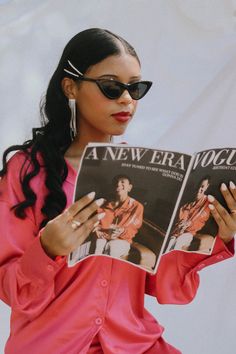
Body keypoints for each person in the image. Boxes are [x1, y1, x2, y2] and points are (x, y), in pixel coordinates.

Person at [0, 28, 235, 354]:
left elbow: (161, 280)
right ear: (71, 87)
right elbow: (12, 289)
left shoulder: (144, 173)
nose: (127, 99)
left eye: (136, 88)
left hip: (134, 344)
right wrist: (47, 248)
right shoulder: (26, 172)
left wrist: (215, 235)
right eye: (112, 87)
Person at [94, 174, 144, 258]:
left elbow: (133, 229)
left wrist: (122, 231)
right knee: (97, 248)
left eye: (122, 182)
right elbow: (94, 220)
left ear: (129, 187)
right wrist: (95, 229)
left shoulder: (136, 206)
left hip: (122, 240)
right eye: (116, 183)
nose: (118, 184)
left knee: (112, 248)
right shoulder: (104, 203)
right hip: (102, 237)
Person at [166, 176, 212, 251]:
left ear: (207, 187)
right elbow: (181, 217)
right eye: (198, 186)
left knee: (179, 241)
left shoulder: (207, 203)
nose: (199, 189)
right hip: (178, 232)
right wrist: (181, 224)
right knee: (171, 241)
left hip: (190, 233)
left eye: (202, 186)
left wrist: (189, 224)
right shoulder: (188, 203)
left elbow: (200, 222)